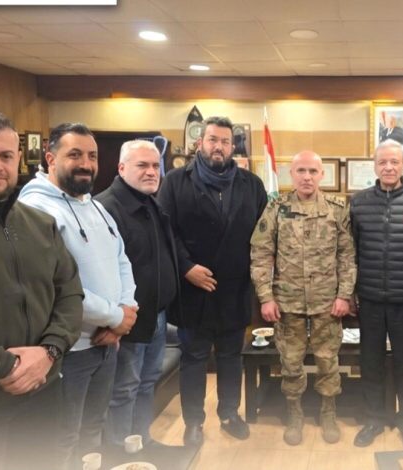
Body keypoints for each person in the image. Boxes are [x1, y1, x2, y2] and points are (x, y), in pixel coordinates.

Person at [0, 109, 83, 470]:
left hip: (43, 394)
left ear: (18, 158)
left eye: (5, 156)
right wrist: (9, 365)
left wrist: (49, 351)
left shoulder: (40, 224)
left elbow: (70, 294)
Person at [19, 122, 138, 467]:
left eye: (92, 156)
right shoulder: (35, 209)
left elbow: (122, 258)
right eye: (75, 155)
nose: (86, 164)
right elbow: (58, 287)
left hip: (106, 344)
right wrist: (116, 317)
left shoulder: (94, 205)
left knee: (92, 432)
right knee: (63, 440)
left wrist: (126, 310)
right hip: (68, 351)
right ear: (50, 158)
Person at [158, 116, 267, 445]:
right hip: (194, 289)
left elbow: (263, 235)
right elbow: (165, 231)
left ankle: (229, 413)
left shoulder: (252, 184)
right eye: (212, 140)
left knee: (231, 357)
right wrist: (186, 267)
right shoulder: (175, 181)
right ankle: (193, 421)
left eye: (225, 141)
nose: (218, 146)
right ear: (199, 143)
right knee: (193, 358)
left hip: (235, 289)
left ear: (233, 147)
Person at [250, 150, 357, 446]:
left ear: (322, 174)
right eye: (301, 171)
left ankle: (328, 413)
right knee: (291, 363)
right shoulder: (276, 208)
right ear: (291, 174)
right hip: (287, 303)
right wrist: (266, 297)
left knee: (328, 362)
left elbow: (347, 256)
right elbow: (261, 255)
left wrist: (344, 295)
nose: (307, 177)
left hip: (327, 303)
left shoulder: (337, 209)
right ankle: (294, 414)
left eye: (312, 171)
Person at [350, 139, 403, 450]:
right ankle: (373, 418)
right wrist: (351, 292)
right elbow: (352, 252)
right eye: (382, 162)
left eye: (394, 162)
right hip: (370, 298)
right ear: (374, 165)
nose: (388, 167)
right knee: (370, 361)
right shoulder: (358, 203)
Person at [96, 140, 181, 447]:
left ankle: (141, 441)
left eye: (156, 166)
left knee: (146, 383)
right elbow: (100, 273)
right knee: (124, 389)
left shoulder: (150, 203)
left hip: (155, 315)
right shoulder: (106, 208)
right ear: (121, 168)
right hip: (127, 321)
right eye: (142, 165)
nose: (151, 172)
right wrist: (112, 320)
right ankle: (122, 451)